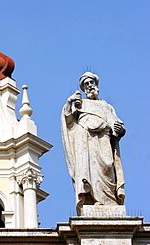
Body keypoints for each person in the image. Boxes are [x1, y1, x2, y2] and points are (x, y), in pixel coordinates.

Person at [61, 72, 126, 215]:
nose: (90, 86)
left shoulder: (106, 106)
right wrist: (69, 103)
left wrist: (120, 129)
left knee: (108, 165)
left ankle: (110, 200)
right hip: (86, 141)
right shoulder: (80, 104)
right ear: (83, 89)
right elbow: (68, 120)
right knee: (90, 170)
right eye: (86, 84)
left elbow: (117, 123)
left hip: (104, 139)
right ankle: (95, 199)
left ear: (97, 85)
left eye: (92, 83)